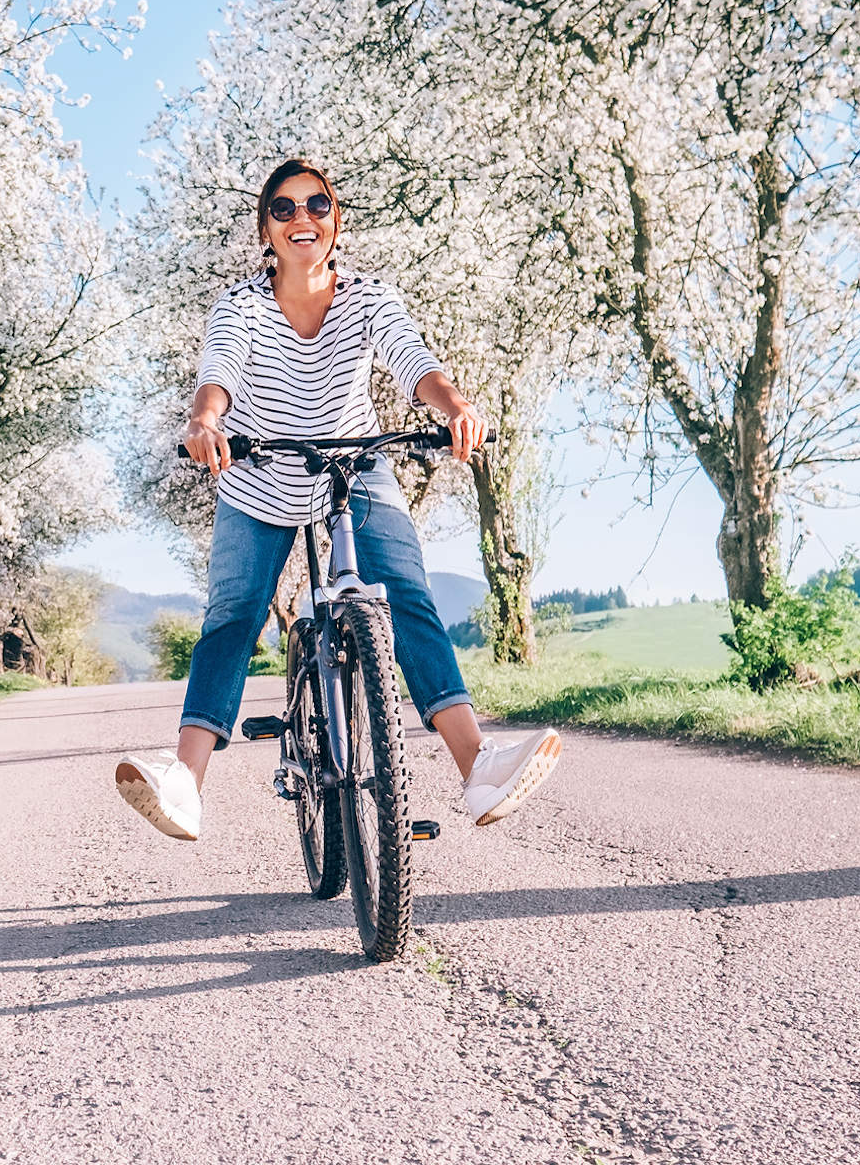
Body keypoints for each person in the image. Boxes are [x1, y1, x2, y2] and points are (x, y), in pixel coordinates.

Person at [115, 158, 562, 842]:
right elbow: (220, 372)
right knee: (232, 616)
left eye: (317, 205)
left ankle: (478, 767)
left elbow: (412, 361)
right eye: (284, 208)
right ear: (265, 228)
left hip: (352, 466)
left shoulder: (369, 297)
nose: (302, 219)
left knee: (404, 593)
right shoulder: (239, 305)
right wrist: (205, 421)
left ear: (336, 220)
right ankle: (185, 783)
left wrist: (456, 406)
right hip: (259, 472)